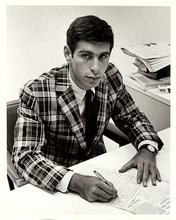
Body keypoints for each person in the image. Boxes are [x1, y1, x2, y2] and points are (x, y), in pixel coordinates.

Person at [12, 15, 163, 203]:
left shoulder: (111, 75)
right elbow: (25, 156)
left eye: (103, 57)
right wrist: (75, 181)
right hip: (55, 182)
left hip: (100, 169)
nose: (96, 68)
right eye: (86, 56)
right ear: (68, 53)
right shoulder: (36, 92)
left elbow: (131, 116)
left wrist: (147, 147)